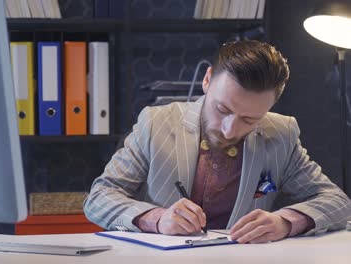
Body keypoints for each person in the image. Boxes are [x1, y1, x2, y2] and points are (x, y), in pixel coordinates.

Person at [83, 40, 351, 244]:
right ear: (208, 80)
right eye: (222, 109)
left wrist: (285, 222)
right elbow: (99, 198)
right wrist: (156, 219)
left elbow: (337, 201)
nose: (230, 129)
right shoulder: (156, 123)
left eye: (250, 119)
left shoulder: (282, 133)